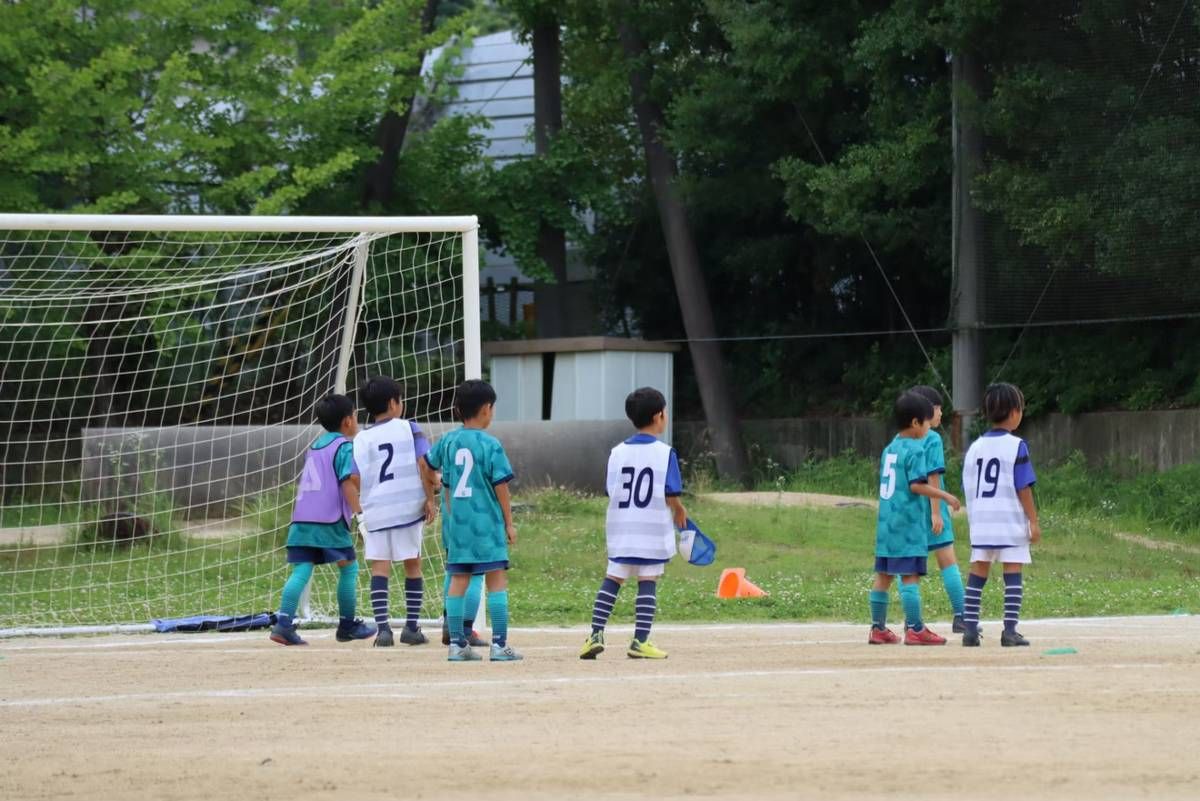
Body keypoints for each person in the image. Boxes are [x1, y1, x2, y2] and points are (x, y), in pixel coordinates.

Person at [580, 387, 686, 661]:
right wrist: (679, 510)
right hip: (651, 528)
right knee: (647, 580)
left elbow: (610, 489)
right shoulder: (665, 453)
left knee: (613, 579)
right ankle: (640, 640)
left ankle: (595, 634)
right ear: (659, 416)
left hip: (622, 528)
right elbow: (671, 493)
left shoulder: (617, 452)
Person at [424, 379, 522, 662]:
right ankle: (500, 646)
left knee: (458, 579)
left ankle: (457, 644)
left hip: (457, 525)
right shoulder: (491, 444)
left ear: (458, 410)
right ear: (487, 409)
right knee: (496, 580)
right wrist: (509, 522)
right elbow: (501, 486)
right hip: (486, 524)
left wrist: (435, 486)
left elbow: (426, 464)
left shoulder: (448, 440)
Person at [270, 394, 376, 646]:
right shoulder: (344, 447)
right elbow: (347, 483)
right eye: (355, 415)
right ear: (348, 421)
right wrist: (360, 514)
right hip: (328, 520)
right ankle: (347, 625)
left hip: (301, 519)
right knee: (349, 567)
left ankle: (283, 624)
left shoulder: (315, 446)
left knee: (301, 570)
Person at [868, 391, 962, 646]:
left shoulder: (889, 449)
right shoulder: (916, 449)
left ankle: (877, 628)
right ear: (915, 423)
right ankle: (916, 629)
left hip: (886, 524)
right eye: (926, 421)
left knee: (884, 576)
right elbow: (917, 486)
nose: (929, 427)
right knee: (910, 576)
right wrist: (945, 496)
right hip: (907, 524)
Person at [352, 376, 437, 647]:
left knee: (380, 567)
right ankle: (411, 627)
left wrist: (365, 502)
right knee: (413, 564)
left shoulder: (361, 438)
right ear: (393, 403)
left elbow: (354, 477)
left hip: (376, 511)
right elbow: (424, 465)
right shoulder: (409, 428)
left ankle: (383, 630)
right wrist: (430, 498)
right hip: (407, 508)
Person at [961, 383, 1041, 647]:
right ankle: (1009, 631)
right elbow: (1023, 487)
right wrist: (1033, 520)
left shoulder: (975, 448)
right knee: (1013, 571)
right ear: (1015, 412)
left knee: (978, 571)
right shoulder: (1017, 446)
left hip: (982, 522)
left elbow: (968, 485)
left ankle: (969, 629)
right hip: (1009, 520)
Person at [909, 385, 967, 633]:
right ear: (926, 410)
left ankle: (912, 621)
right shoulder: (932, 438)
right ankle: (962, 615)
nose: (941, 413)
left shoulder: (903, 437)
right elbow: (933, 475)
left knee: (909, 567)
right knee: (947, 561)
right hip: (932, 504)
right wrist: (935, 511)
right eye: (938, 408)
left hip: (910, 508)